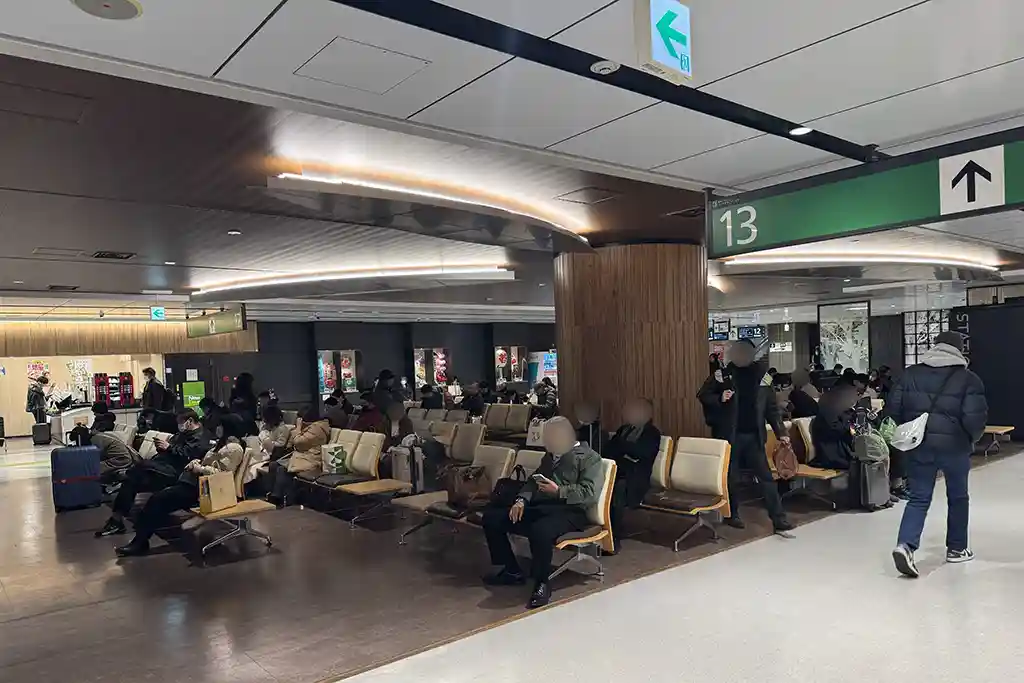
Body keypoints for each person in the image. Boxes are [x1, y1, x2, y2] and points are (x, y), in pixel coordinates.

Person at [887, 332, 987, 578]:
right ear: (958, 350)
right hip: (955, 447)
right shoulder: (969, 379)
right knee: (958, 497)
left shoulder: (910, 374)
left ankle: (905, 545)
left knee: (919, 498)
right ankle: (957, 548)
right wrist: (970, 440)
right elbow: (975, 419)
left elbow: (892, 410)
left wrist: (909, 430)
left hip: (919, 445)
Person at [481, 417, 601, 609]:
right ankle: (511, 570)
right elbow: (532, 481)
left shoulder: (589, 458)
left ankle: (542, 581)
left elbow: (589, 494)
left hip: (571, 510)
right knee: (492, 518)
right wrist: (521, 500)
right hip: (544, 506)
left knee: (540, 531)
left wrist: (559, 491)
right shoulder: (550, 456)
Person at [114, 415, 247, 556]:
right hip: (197, 484)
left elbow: (223, 474)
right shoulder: (223, 444)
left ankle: (140, 541)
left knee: (158, 500)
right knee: (157, 499)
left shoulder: (233, 448)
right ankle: (140, 539)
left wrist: (199, 468)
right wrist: (197, 462)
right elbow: (210, 463)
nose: (217, 428)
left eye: (220, 425)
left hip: (206, 490)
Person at [697, 339, 793, 533]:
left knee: (766, 477)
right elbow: (703, 395)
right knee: (732, 478)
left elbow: (771, 408)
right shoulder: (722, 374)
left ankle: (778, 518)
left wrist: (781, 432)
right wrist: (719, 398)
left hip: (754, 436)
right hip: (729, 435)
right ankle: (732, 514)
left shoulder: (763, 376)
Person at [94, 409, 207, 538]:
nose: (179, 426)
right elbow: (173, 450)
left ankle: (119, 517)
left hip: (177, 473)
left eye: (180, 422)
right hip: (164, 468)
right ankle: (117, 519)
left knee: (140, 468)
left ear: (190, 421)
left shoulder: (200, 438)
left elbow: (188, 457)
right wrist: (164, 448)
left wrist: (169, 448)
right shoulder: (183, 434)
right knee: (131, 480)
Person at [604, 399, 661, 551]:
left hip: (637, 478)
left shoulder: (652, 433)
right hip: (619, 471)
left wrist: (622, 448)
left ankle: (613, 537)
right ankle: (597, 530)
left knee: (617, 489)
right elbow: (609, 450)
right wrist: (625, 451)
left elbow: (641, 454)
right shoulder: (624, 429)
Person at [267, 406, 330, 506]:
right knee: (274, 466)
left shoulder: (317, 429)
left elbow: (298, 441)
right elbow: (293, 442)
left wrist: (299, 428)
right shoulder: (311, 428)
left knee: (283, 470)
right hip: (302, 456)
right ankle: (276, 495)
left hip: (312, 459)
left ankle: (281, 498)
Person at [810, 385, 858, 470]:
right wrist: (850, 427)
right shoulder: (827, 413)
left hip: (835, 449)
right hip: (830, 453)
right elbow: (837, 429)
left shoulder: (833, 410)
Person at [245, 404, 291, 485]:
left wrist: (268, 441)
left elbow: (280, 445)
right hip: (263, 450)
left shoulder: (283, 429)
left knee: (251, 463)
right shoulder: (269, 427)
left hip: (272, 454)